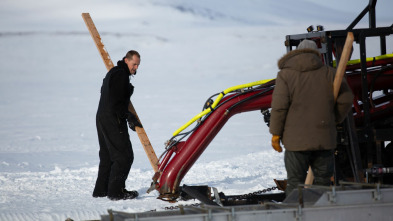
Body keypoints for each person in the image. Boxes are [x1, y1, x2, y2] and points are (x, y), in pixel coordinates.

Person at [269, 40, 353, 196]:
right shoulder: (330, 73)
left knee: (295, 184)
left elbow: (279, 107)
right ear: (318, 54)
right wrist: (334, 119)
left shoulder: (285, 75)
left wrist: (275, 133)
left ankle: (296, 216)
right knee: (323, 185)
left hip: (295, 142)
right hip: (324, 140)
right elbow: (346, 99)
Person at [93, 50, 142, 200]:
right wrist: (129, 117)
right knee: (124, 156)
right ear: (126, 60)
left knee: (107, 155)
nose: (136, 68)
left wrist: (127, 91)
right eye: (134, 64)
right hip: (113, 118)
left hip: (101, 116)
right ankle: (116, 192)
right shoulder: (121, 75)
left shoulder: (113, 73)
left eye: (138, 65)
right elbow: (116, 100)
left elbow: (104, 90)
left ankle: (101, 190)